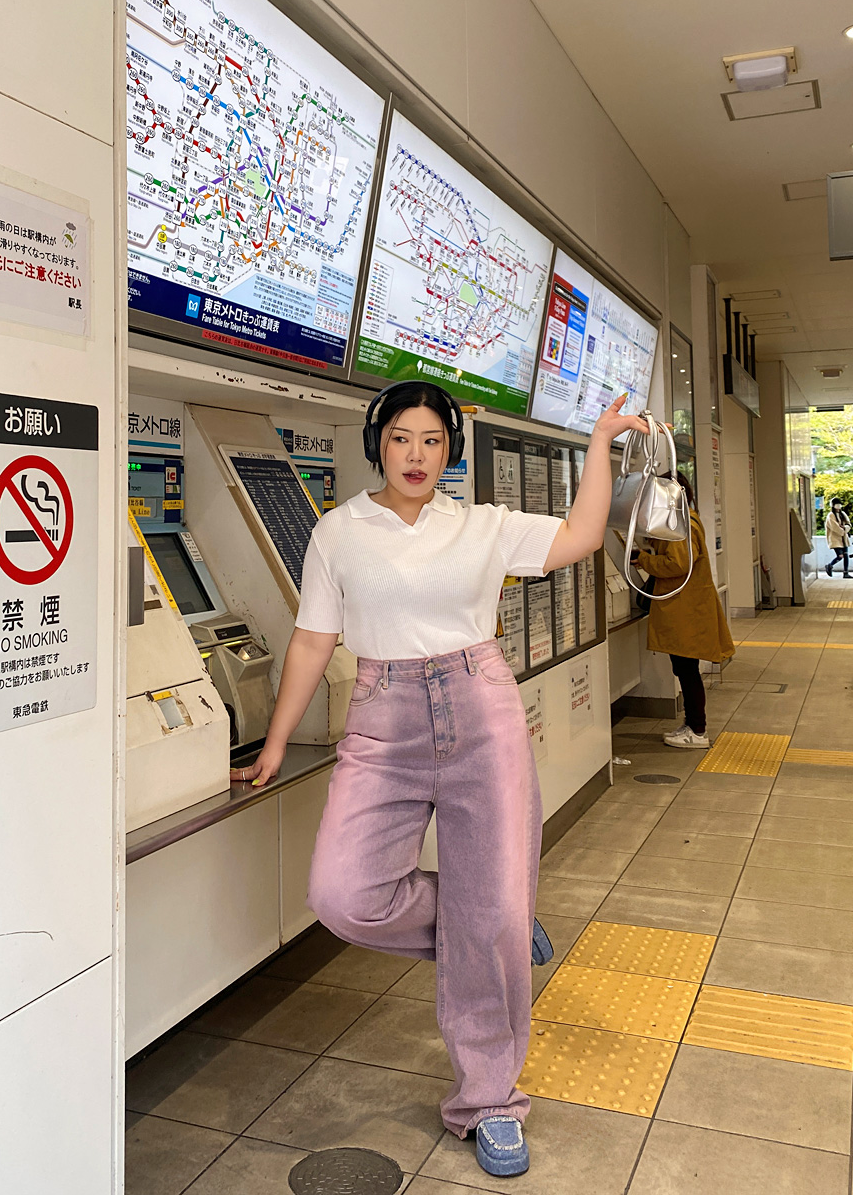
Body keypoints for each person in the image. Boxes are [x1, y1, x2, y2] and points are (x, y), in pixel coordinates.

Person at [230, 380, 647, 1179]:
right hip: (381, 716)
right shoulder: (338, 531)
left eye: (431, 440)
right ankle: (497, 922)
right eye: (400, 438)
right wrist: (276, 741)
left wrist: (598, 444)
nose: (415, 455)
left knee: (490, 908)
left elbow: (583, 534)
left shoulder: (482, 526)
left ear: (449, 449)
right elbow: (313, 641)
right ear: (377, 445)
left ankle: (490, 1100)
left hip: (480, 704)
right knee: (343, 893)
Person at [633, 472, 734, 750]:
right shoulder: (685, 519)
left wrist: (644, 560)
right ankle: (692, 725)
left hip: (684, 608)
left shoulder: (680, 523)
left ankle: (697, 730)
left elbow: (677, 564)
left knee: (687, 670)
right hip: (687, 606)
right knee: (685, 669)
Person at [824, 498, 851, 578]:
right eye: (837, 504)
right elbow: (834, 527)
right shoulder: (831, 515)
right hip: (835, 538)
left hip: (844, 538)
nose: (838, 506)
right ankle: (830, 565)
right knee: (840, 556)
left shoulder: (843, 514)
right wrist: (843, 530)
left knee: (845, 555)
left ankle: (846, 573)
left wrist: (845, 528)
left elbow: (848, 524)